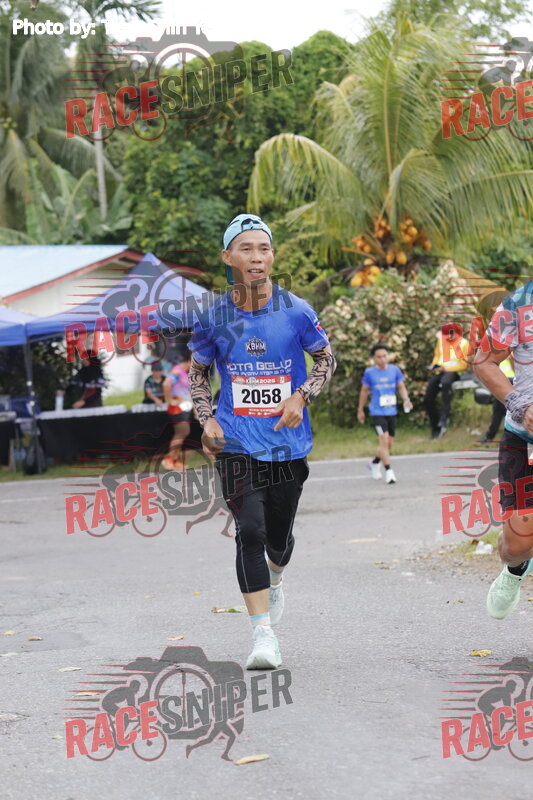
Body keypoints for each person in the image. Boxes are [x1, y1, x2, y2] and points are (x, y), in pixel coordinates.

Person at [188, 213, 336, 670]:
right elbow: (198, 373)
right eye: (247, 248)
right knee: (248, 531)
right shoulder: (213, 317)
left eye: (264, 248)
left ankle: (275, 576)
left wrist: (301, 396)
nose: (257, 257)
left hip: (286, 442)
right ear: (228, 257)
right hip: (234, 441)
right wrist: (207, 419)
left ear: (272, 256)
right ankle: (263, 636)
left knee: (278, 540)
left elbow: (325, 359)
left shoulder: (296, 310)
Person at [473, 281, 533, 620]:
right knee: (516, 545)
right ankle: (515, 569)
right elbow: (484, 361)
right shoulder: (519, 303)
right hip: (524, 437)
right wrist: (520, 405)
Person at [357, 344, 412, 484]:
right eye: (379, 357)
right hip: (377, 412)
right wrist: (360, 410)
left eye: (384, 356)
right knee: (383, 441)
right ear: (374, 358)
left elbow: (401, 386)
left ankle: (375, 462)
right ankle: (389, 471)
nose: (382, 359)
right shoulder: (369, 373)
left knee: (388, 444)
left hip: (391, 411)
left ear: (388, 356)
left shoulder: (395, 370)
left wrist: (406, 399)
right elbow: (364, 391)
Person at [424, 327, 469, 439]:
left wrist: (446, 369)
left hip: (453, 372)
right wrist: (433, 365)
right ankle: (435, 427)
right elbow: (437, 356)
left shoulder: (463, 343)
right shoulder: (441, 340)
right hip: (439, 371)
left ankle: (444, 419)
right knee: (428, 397)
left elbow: (463, 365)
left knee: (445, 384)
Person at [162, 357, 194, 470]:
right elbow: (166, 384)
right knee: (182, 432)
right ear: (189, 361)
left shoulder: (185, 373)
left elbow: (187, 392)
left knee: (182, 432)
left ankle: (174, 460)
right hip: (176, 408)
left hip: (184, 407)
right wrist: (169, 400)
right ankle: (169, 459)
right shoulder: (177, 370)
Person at [477, 357, 515, 443]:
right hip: (504, 380)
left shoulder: (508, 352)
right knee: (500, 411)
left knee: (501, 411)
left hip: (508, 381)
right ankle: (491, 436)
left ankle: (490, 436)